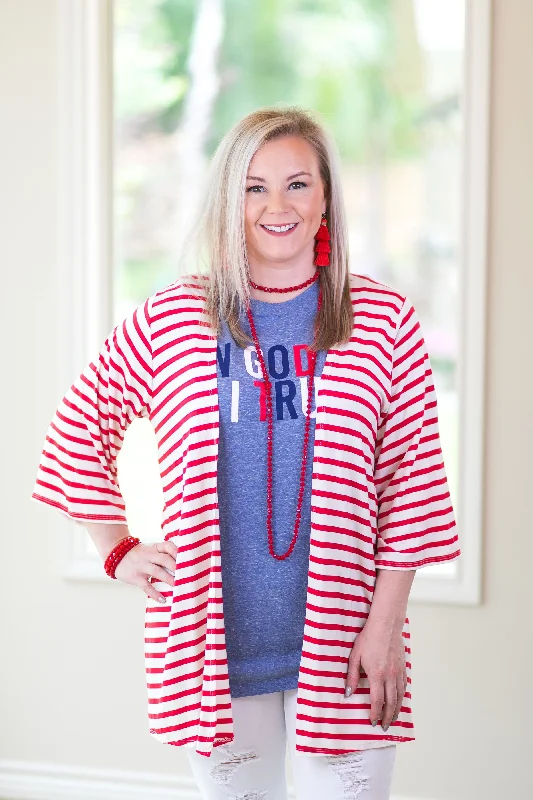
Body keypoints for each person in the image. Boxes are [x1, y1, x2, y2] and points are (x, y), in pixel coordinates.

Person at [31, 106, 461, 800]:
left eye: (297, 184)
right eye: (253, 187)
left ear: (325, 200)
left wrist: (382, 630)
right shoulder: (174, 317)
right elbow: (81, 425)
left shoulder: (382, 320)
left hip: (345, 638)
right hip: (211, 644)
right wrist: (114, 546)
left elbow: (410, 485)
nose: (276, 206)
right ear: (228, 201)